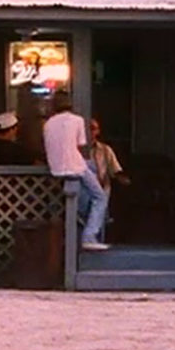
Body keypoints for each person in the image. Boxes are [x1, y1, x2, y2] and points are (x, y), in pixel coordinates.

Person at [43, 91, 109, 251]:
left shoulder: (48, 123)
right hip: (74, 166)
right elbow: (80, 144)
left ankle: (84, 211)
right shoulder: (77, 120)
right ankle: (89, 236)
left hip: (55, 167)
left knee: (90, 167)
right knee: (100, 196)